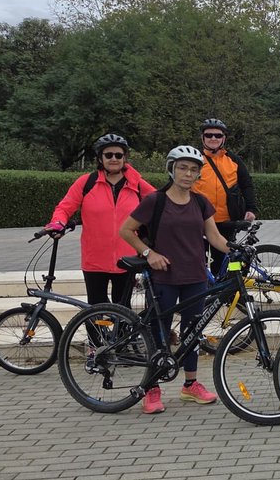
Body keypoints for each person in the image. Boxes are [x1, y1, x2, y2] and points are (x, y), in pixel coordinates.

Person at [119, 146, 231, 414]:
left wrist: (237, 249)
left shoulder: (201, 202)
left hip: (195, 276)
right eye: (182, 168)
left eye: (193, 170)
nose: (188, 174)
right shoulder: (155, 201)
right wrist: (150, 253)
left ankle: (190, 385)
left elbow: (214, 237)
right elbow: (126, 230)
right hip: (163, 276)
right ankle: (152, 388)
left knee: (192, 332)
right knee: (160, 331)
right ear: (171, 169)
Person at [45, 133, 156, 309]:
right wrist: (58, 222)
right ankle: (96, 338)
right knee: (95, 308)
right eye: (108, 155)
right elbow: (65, 207)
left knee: (123, 308)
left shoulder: (137, 184)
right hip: (94, 258)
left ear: (125, 158)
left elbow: (160, 204)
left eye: (118, 155)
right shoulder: (86, 182)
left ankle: (122, 337)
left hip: (126, 258)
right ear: (100, 158)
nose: (114, 159)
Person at [192, 118, 257, 276]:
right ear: (202, 138)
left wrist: (251, 209)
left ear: (224, 138)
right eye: (209, 135)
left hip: (225, 221)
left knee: (224, 263)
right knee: (195, 262)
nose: (213, 138)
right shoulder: (194, 159)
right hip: (197, 220)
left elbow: (246, 184)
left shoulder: (233, 160)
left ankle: (225, 296)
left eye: (217, 135)